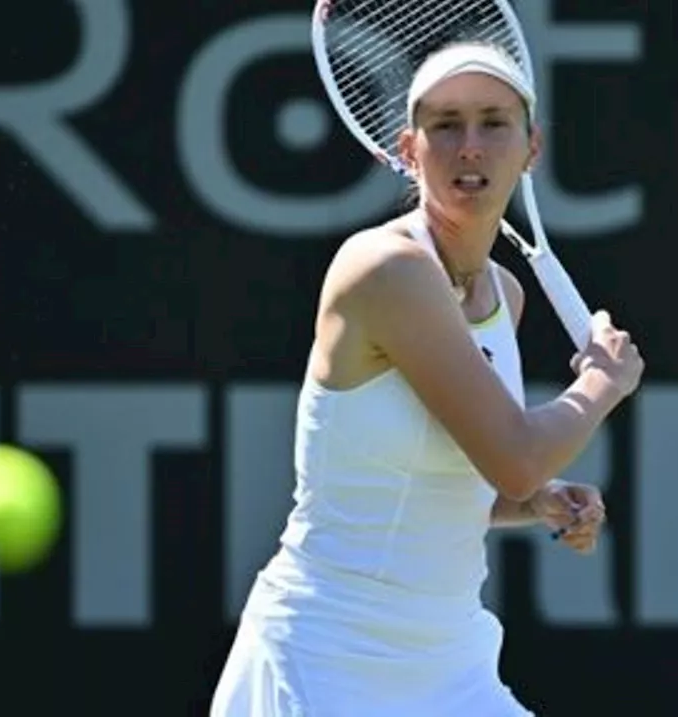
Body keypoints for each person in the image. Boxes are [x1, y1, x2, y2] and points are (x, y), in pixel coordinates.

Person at [210, 41, 644, 717]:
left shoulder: (506, 292)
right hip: (326, 659)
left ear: (532, 147)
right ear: (409, 150)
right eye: (445, 125)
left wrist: (536, 504)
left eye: (494, 123)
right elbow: (516, 458)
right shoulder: (386, 268)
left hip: (450, 666)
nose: (470, 146)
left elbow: (460, 479)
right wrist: (602, 383)